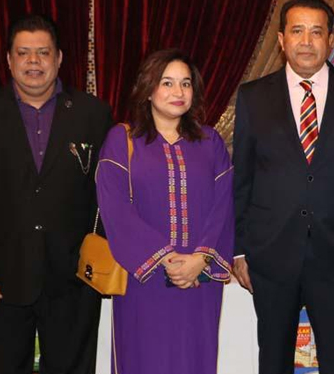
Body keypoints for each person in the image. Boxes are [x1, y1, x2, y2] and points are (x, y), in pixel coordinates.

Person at [232, 0, 334, 374]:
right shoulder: (253, 97)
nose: (306, 41)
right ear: (281, 39)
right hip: (271, 255)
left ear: (330, 39)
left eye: (316, 32)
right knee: (274, 361)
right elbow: (243, 177)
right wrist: (239, 250)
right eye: (297, 31)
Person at [0, 15, 113, 373]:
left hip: (74, 278)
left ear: (59, 58)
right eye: (23, 52)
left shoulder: (93, 113)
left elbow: (106, 195)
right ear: (8, 59)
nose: (33, 61)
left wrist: (98, 261)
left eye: (43, 52)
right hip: (2, 281)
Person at [96, 48, 233, 374]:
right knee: (143, 360)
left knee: (194, 360)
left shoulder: (210, 141)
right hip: (144, 280)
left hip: (199, 282)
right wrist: (165, 258)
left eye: (185, 83)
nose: (178, 91)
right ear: (148, 89)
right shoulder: (122, 140)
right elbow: (115, 207)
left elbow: (225, 204)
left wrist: (200, 258)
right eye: (167, 83)